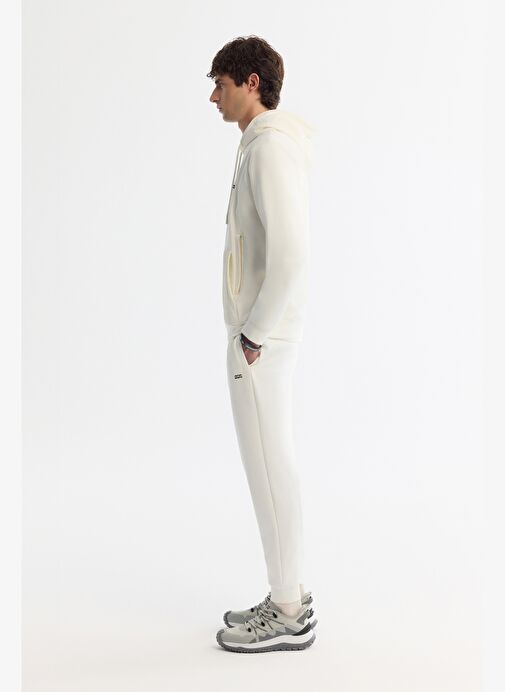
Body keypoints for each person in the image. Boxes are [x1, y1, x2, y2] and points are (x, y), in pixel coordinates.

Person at [207, 35, 317, 653]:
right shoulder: (262, 144)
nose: (213, 97)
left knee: (270, 468)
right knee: (271, 465)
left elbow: (292, 253)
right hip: (262, 336)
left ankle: (287, 610)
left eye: (220, 84)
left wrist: (254, 332)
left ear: (252, 83)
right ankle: (287, 592)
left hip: (261, 340)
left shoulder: (270, 147)